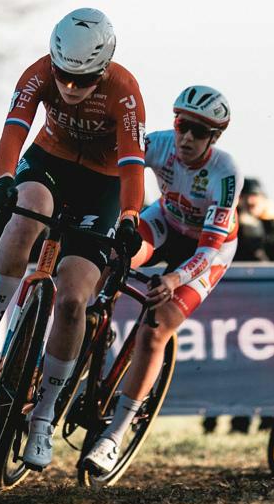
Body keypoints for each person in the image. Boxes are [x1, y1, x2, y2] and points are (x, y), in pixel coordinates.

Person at [0, 7, 146, 473]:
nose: (69, 88)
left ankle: (42, 418)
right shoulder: (38, 72)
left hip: (102, 183)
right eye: (63, 76)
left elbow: (131, 166)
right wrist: (5, 178)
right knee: (27, 214)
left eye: (82, 82)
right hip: (52, 160)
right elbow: (14, 131)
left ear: (102, 71)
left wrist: (127, 217)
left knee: (72, 302)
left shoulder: (124, 92)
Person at [84, 85, 239, 476]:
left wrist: (174, 278)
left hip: (209, 248)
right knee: (109, 257)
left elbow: (207, 250)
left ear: (214, 138)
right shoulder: (161, 144)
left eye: (199, 132)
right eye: (183, 126)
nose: (187, 137)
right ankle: (92, 323)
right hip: (166, 222)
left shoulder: (225, 173)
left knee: (156, 330)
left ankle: (114, 438)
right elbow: (111, 164)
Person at [233, 178, 274, 261]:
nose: (249, 200)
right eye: (244, 196)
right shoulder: (229, 225)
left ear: (263, 199)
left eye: (254, 196)